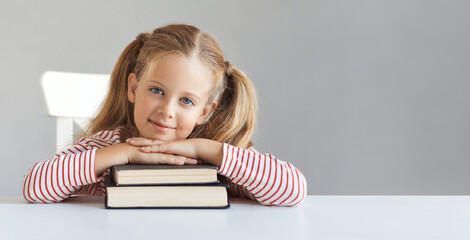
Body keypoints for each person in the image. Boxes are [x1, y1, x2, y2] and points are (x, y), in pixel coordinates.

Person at [22, 24, 307, 206]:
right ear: (133, 88)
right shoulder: (110, 145)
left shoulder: (220, 154)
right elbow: (34, 187)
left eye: (186, 100)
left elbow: (293, 190)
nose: (167, 111)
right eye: (157, 90)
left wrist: (201, 148)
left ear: (205, 112)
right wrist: (125, 154)